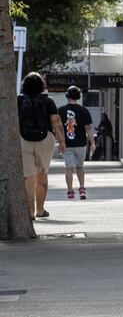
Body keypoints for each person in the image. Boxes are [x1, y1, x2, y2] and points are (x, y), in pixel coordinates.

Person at [17, 72, 66, 220]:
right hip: (45, 139)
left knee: (28, 177)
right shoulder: (48, 101)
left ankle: (30, 212)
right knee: (42, 174)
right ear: (41, 85)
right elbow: (56, 122)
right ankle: (40, 210)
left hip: (23, 139)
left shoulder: (18, 100)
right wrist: (62, 141)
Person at [58, 86, 96, 200]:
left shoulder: (60, 110)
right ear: (78, 97)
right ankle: (82, 189)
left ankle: (70, 191)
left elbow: (58, 127)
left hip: (67, 144)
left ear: (67, 96)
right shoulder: (83, 110)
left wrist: (59, 141)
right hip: (81, 143)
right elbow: (88, 128)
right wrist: (92, 143)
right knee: (80, 166)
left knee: (68, 167)